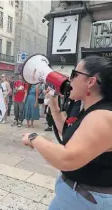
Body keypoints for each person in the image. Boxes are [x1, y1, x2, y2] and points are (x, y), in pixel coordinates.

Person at [22, 55, 112, 210]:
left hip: (87, 200)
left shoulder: (102, 116)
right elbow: (70, 137)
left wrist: (34, 138)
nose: (70, 80)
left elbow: (67, 159)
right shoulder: (90, 108)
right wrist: (55, 108)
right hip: (80, 195)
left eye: (75, 74)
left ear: (91, 81)